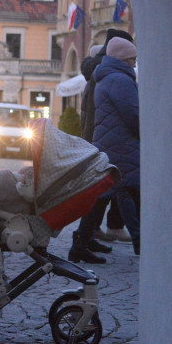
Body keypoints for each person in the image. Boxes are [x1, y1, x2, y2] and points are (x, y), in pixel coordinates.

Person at [75, 37, 142, 257]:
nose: (134, 63)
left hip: (112, 144)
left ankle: (81, 244)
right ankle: (142, 243)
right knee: (129, 193)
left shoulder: (108, 77)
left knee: (110, 194)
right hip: (121, 146)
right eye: (132, 59)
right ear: (123, 59)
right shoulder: (120, 80)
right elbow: (134, 115)